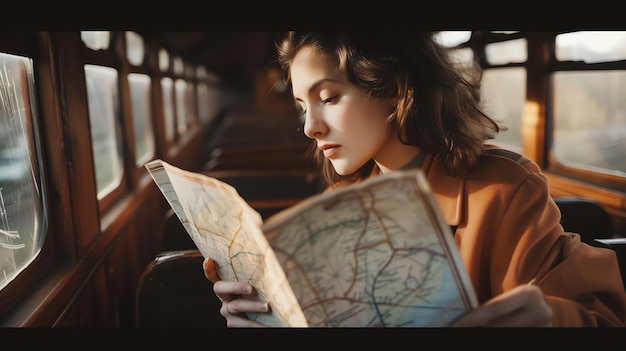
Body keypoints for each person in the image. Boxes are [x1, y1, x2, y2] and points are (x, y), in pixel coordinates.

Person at [202, 31, 626, 327]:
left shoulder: (506, 188)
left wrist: (551, 320)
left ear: (392, 87)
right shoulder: (343, 198)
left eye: (328, 98)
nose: (310, 126)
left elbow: (606, 317)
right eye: (301, 106)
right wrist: (262, 318)